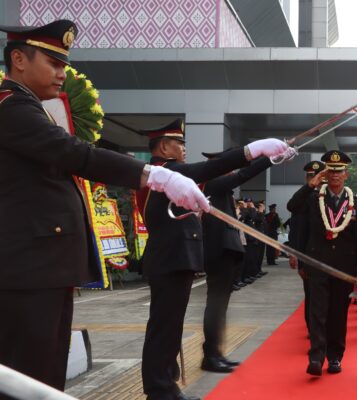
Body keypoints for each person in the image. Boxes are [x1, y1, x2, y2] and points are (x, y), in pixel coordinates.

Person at [0, 20, 210, 393]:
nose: (62, 74)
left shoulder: (28, 106)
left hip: (41, 266)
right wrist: (155, 176)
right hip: (29, 269)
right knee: (32, 374)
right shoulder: (11, 107)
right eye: (54, 63)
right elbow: (75, 154)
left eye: (64, 65)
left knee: (44, 371)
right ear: (18, 58)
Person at [136, 119, 288, 400]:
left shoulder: (169, 172)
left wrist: (267, 159)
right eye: (179, 143)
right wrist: (253, 151)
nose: (184, 148)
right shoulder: (163, 171)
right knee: (164, 329)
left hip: (173, 258)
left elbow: (220, 175)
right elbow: (210, 170)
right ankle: (160, 390)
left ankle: (165, 386)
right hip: (169, 259)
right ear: (163, 146)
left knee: (168, 329)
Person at [287, 150, 357, 376]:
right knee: (317, 311)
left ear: (346, 174)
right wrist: (310, 184)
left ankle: (335, 357)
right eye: (330, 171)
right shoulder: (313, 198)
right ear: (325, 173)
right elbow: (293, 209)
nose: (334, 175)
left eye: (339, 171)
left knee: (337, 314)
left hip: (344, 267)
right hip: (317, 263)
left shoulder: (356, 202)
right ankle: (316, 357)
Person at [200, 151, 273, 373]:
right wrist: (269, 158)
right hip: (218, 253)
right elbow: (243, 175)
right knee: (215, 306)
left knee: (219, 307)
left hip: (226, 253)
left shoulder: (221, 188)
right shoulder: (213, 182)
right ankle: (211, 355)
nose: (231, 170)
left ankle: (216, 353)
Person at [288, 160, 326, 335]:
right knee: (311, 296)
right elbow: (296, 226)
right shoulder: (304, 198)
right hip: (309, 256)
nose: (316, 180)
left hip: (331, 256)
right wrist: (295, 255)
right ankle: (314, 331)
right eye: (311, 176)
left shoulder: (331, 196)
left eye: (320, 176)